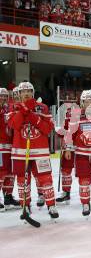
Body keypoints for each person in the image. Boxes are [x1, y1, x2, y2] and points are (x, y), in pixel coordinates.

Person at [8, 82, 58, 218]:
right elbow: (14, 125)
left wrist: (31, 115)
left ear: (33, 92)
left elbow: (47, 129)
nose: (26, 93)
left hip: (40, 151)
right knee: (22, 181)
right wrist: (24, 110)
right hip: (20, 152)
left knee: (46, 179)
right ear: (18, 93)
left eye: (29, 91)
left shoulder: (43, 107)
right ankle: (26, 205)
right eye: (23, 91)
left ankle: (51, 205)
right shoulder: (13, 108)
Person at [0, 88, 20, 211]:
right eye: (1, 96)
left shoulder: (9, 109)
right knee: (1, 173)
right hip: (0, 147)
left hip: (11, 147)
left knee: (10, 173)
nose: (3, 98)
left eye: (5, 96)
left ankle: (8, 197)